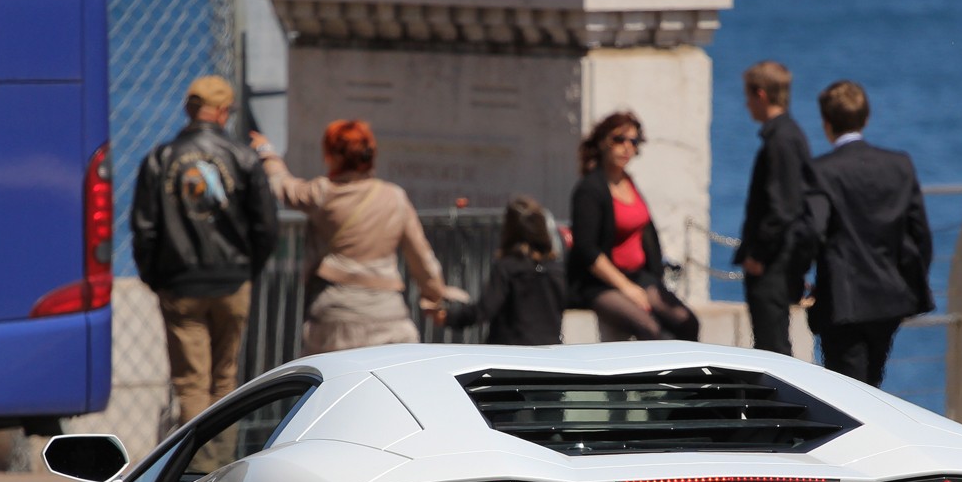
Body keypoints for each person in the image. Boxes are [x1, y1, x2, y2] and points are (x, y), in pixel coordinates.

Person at [131, 75, 277, 429]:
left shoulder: (161, 157)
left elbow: (144, 227)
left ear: (188, 110)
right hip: (232, 281)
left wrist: (157, 278)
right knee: (224, 382)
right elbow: (266, 225)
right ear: (224, 112)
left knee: (191, 384)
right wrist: (246, 271)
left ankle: (194, 470)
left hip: (181, 284)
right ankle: (220, 467)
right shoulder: (243, 156)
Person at [255, 119, 452, 354]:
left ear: (331, 156)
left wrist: (267, 154)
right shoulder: (395, 197)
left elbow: (282, 186)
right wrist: (434, 298)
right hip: (389, 316)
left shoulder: (322, 192)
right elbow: (422, 258)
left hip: (336, 316)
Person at [804, 80, 933, 386]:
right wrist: (911, 284)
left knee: (848, 392)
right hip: (890, 298)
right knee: (873, 383)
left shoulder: (822, 170)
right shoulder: (899, 165)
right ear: (866, 118)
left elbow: (812, 231)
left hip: (843, 300)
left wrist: (797, 280)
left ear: (826, 123)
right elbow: (920, 235)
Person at [567, 111, 699, 341]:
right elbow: (587, 250)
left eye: (633, 141)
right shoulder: (590, 189)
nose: (626, 147)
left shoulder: (629, 182)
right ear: (602, 142)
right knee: (649, 328)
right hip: (601, 284)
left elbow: (646, 232)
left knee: (686, 321)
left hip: (639, 277)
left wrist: (650, 281)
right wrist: (626, 288)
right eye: (619, 139)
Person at [734, 60, 817, 354]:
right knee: (773, 342)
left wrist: (758, 254)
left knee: (772, 346)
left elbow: (782, 208)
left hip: (773, 263)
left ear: (761, 94)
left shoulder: (780, 140)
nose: (746, 105)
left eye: (747, 96)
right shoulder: (788, 135)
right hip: (782, 257)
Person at [435, 194, 566, 345]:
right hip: (549, 350)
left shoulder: (508, 267)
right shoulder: (556, 269)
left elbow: (485, 308)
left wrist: (449, 318)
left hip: (510, 351)